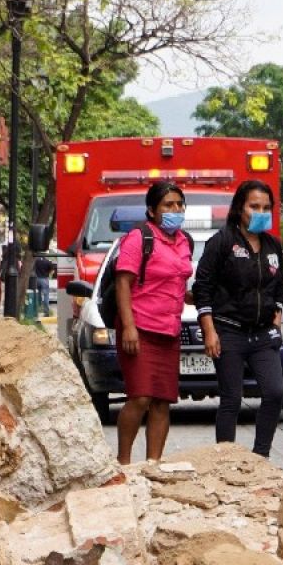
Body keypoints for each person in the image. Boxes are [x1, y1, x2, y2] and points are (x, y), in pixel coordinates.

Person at [193, 180, 283, 457]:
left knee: (275, 392)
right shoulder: (222, 242)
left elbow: (279, 286)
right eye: (254, 206)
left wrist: (276, 319)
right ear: (239, 208)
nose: (260, 212)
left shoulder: (272, 245)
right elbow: (203, 289)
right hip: (228, 332)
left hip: (262, 334)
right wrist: (209, 331)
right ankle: (226, 460)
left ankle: (261, 457)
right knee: (231, 398)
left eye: (266, 207)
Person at [113, 180, 195, 464]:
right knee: (140, 397)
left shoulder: (185, 241)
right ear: (151, 210)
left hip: (169, 331)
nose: (175, 210)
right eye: (168, 205)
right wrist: (129, 327)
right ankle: (123, 463)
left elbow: (176, 284)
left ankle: (153, 465)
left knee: (162, 401)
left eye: (179, 205)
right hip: (139, 328)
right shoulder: (139, 237)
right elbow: (123, 282)